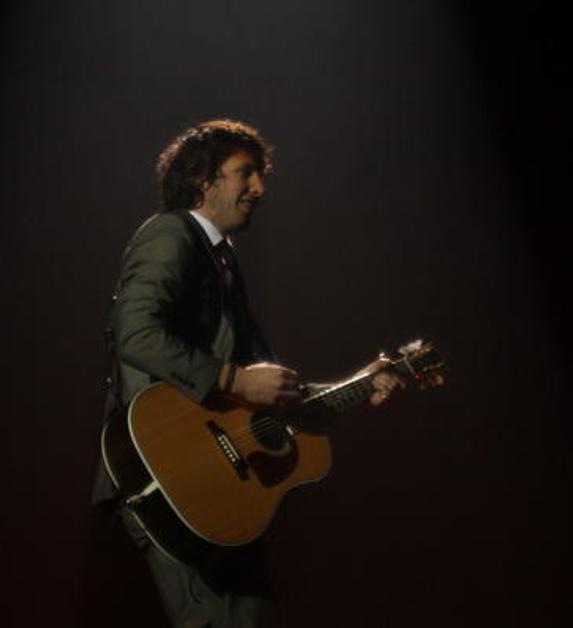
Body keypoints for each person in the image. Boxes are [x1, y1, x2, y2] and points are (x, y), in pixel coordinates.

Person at [90, 119, 403, 627]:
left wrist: (358, 385)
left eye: (260, 175)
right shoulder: (172, 233)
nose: (260, 188)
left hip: (218, 487)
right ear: (202, 179)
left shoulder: (223, 260)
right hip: (172, 474)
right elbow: (135, 333)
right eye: (246, 173)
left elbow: (266, 393)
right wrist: (234, 380)